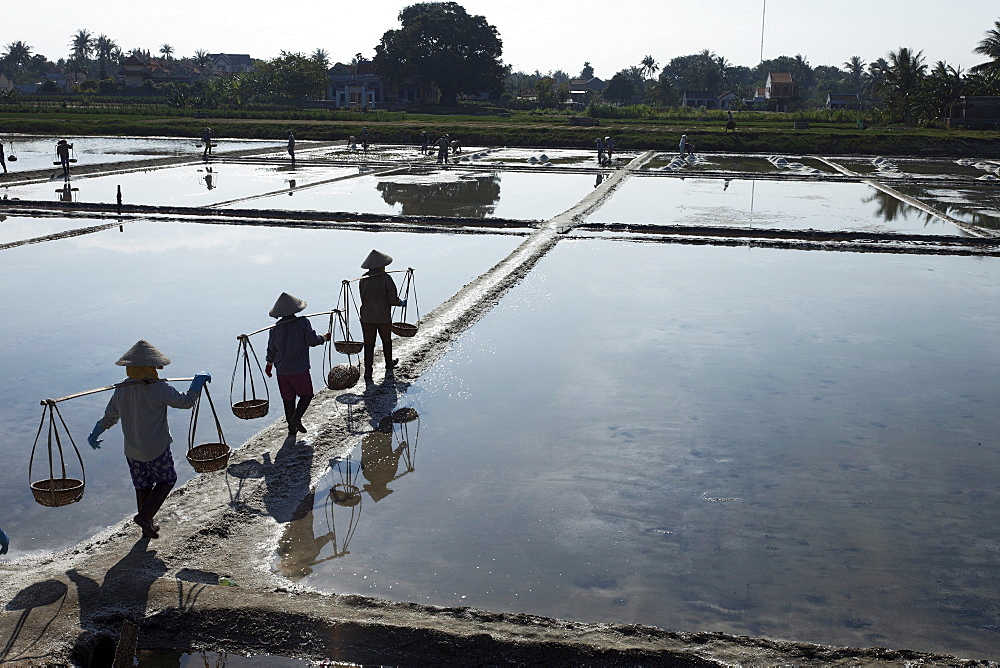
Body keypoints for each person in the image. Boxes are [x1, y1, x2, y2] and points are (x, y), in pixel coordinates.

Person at [87, 340, 211, 539]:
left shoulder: (122, 389)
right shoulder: (160, 388)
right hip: (157, 449)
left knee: (143, 485)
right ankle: (145, 517)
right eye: (154, 367)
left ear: (131, 369)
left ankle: (147, 527)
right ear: (150, 369)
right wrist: (196, 384)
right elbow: (186, 402)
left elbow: (110, 417)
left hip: (133, 451)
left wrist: (95, 434)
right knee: (168, 480)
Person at [265, 292, 330, 438]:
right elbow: (312, 341)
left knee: (288, 399)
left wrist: (269, 365)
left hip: (281, 370)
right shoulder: (303, 323)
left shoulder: (275, 328)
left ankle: (291, 429)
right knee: (307, 395)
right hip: (299, 369)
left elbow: (271, 350)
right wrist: (324, 338)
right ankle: (296, 418)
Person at [359, 249, 406, 384]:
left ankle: (368, 371)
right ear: (381, 266)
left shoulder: (363, 279)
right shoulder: (386, 278)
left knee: (369, 344)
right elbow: (392, 299)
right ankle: (388, 364)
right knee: (386, 340)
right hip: (382, 317)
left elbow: (363, 296)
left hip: (366, 317)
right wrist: (400, 303)